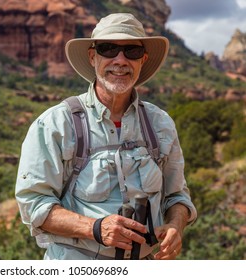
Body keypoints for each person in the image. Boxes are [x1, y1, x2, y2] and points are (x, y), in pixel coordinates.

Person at [15, 13, 197, 260]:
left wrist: (176, 225)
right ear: (93, 57)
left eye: (131, 50)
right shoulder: (56, 123)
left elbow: (177, 196)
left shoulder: (160, 124)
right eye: (108, 49)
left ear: (142, 60)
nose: (120, 60)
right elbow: (33, 204)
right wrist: (95, 228)